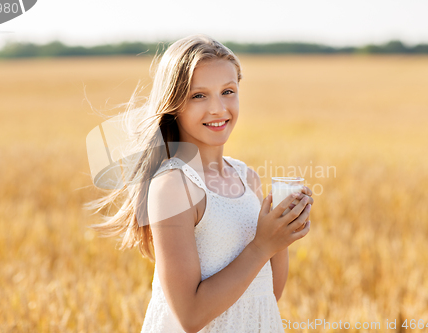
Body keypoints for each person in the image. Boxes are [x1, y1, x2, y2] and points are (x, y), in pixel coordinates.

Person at [85, 33, 313, 333]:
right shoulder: (173, 186)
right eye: (199, 96)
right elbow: (189, 316)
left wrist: (282, 235)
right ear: (174, 104)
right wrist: (262, 245)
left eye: (228, 91)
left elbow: (267, 295)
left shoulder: (247, 179)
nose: (218, 108)